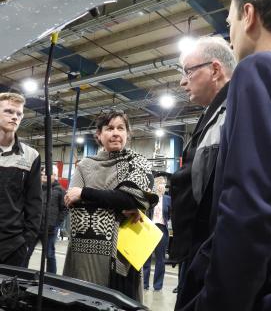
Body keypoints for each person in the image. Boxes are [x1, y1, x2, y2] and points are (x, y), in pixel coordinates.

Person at [176, 0, 271, 310]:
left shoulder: (263, 70)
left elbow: (251, 212)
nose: (231, 33)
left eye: (230, 22)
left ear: (249, 16)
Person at [63, 110, 158, 302]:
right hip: (84, 256)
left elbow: (131, 199)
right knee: (83, 301)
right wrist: (118, 200)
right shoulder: (85, 165)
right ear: (99, 135)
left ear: (127, 134)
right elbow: (70, 201)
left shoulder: (138, 163)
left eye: (120, 128)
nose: (115, 133)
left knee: (119, 302)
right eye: (109, 128)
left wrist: (85, 194)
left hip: (123, 253)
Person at [170, 36, 236, 297]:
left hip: (214, 254)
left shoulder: (235, 111)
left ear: (215, 69)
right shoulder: (214, 115)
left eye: (188, 71)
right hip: (199, 250)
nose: (182, 81)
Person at [0, 92, 42, 266]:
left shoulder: (31, 156)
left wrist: (27, 245)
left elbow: (34, 204)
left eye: (19, 114)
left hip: (13, 248)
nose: (15, 117)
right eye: (9, 111)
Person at [24, 165, 66, 273]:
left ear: (55, 176)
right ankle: (21, 274)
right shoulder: (35, 189)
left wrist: (56, 223)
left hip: (50, 230)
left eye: (47, 172)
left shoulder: (60, 191)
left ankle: (51, 280)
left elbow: (65, 209)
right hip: (34, 228)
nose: (43, 174)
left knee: (50, 255)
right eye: (42, 172)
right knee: (26, 252)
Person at [143, 176, 171, 291]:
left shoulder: (168, 199)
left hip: (162, 229)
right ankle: (144, 284)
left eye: (163, 183)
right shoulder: (151, 198)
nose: (162, 186)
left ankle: (158, 285)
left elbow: (169, 214)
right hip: (150, 228)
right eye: (159, 183)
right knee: (146, 258)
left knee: (161, 259)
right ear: (155, 185)